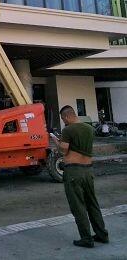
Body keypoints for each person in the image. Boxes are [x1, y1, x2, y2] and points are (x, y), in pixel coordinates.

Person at [50, 105, 109, 248]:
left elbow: (64, 151)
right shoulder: (89, 129)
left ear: (67, 116)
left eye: (63, 118)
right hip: (88, 170)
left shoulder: (68, 130)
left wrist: (55, 140)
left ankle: (86, 238)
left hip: (73, 172)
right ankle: (102, 234)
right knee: (92, 203)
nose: (64, 121)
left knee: (78, 206)